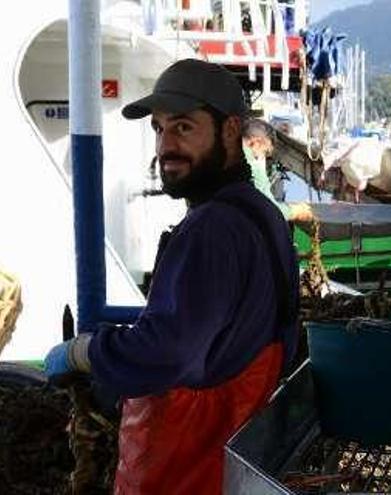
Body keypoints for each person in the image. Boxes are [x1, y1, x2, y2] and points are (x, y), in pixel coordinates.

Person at [43, 58, 299, 494]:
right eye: (159, 129)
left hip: (192, 471)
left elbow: (166, 355)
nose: (166, 146)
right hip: (238, 462)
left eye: (183, 127)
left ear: (231, 130)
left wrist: (83, 352)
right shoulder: (263, 214)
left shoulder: (211, 229)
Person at [242, 118, 314, 223]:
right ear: (256, 143)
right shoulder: (253, 164)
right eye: (265, 153)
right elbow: (268, 209)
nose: (264, 159)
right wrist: (296, 211)